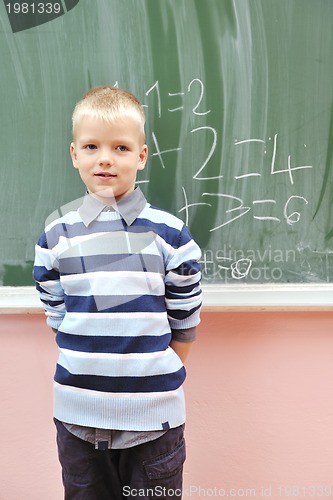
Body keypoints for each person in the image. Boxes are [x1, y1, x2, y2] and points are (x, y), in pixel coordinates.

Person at [33, 85, 202, 499]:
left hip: (153, 426)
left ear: (141, 156)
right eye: (91, 146)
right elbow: (54, 306)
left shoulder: (169, 235)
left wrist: (154, 378)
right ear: (75, 155)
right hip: (77, 420)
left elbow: (185, 317)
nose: (105, 158)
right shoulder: (56, 234)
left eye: (121, 148)